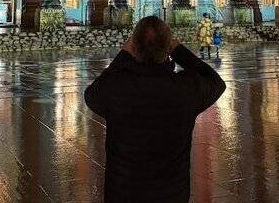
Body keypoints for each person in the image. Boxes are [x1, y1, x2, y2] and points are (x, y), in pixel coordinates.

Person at [84, 16, 226, 203]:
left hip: (123, 195)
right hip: (172, 194)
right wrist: (178, 50)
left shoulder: (117, 88)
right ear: (168, 48)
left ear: (133, 47)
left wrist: (124, 55)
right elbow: (216, 82)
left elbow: (92, 94)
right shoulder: (185, 89)